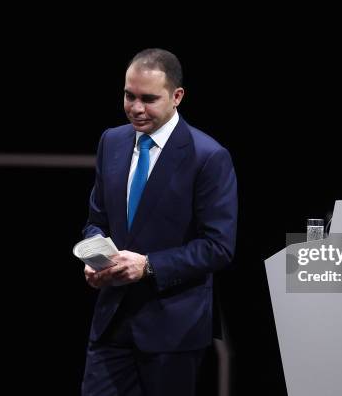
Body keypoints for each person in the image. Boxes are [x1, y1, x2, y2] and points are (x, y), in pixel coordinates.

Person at [80, 48, 238, 396]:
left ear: (177, 96)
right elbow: (97, 221)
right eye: (129, 96)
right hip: (111, 324)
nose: (136, 108)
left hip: (173, 330)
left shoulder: (208, 157)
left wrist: (148, 265)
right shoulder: (112, 141)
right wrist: (95, 257)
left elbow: (219, 247)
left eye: (148, 99)